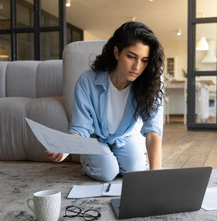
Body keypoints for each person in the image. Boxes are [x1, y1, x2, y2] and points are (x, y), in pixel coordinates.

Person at [45, 21, 164, 182]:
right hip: (95, 138)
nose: (137, 66)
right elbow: (81, 126)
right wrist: (66, 147)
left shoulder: (148, 85)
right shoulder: (87, 81)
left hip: (125, 137)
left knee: (135, 172)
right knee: (107, 172)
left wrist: (155, 176)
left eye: (144, 60)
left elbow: (153, 132)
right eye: (131, 57)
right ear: (116, 52)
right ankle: (89, 161)